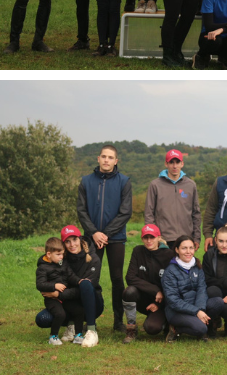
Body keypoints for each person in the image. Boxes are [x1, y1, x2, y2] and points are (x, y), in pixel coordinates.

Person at [75, 144, 132, 332]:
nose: (106, 160)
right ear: (98, 159)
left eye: (110, 157)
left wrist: (106, 233)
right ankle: (90, 319)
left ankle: (118, 321)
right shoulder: (86, 181)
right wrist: (94, 233)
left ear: (116, 161)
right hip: (91, 238)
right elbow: (81, 211)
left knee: (117, 279)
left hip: (115, 238)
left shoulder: (124, 181)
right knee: (90, 278)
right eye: (103, 156)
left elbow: (125, 212)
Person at [161, 236, 224, 342]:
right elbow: (173, 301)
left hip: (195, 306)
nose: (188, 251)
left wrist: (200, 309)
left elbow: (202, 289)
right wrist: (196, 312)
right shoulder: (170, 271)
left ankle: (200, 323)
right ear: (177, 250)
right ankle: (175, 329)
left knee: (218, 302)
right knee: (201, 328)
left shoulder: (197, 266)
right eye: (184, 248)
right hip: (177, 311)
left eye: (191, 248)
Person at [121, 224, 174, 342]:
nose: (149, 240)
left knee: (152, 328)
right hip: (144, 298)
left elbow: (172, 284)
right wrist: (155, 290)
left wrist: (159, 304)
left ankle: (166, 320)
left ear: (159, 237)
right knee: (129, 291)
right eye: (146, 237)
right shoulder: (138, 251)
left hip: (163, 301)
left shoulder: (169, 255)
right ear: (142, 238)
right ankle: (131, 329)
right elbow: (130, 277)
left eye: (152, 237)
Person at [144, 149, 201, 248]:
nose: (175, 166)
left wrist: (197, 237)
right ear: (166, 164)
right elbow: (149, 214)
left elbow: (196, 213)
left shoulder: (191, 185)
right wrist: (153, 237)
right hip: (163, 239)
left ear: (182, 163)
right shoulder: (155, 185)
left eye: (177, 162)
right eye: (171, 162)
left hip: (186, 238)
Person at [36, 237, 86, 346]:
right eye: (58, 255)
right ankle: (53, 336)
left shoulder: (63, 263)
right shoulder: (42, 268)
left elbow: (71, 275)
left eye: (62, 254)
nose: (61, 257)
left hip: (64, 296)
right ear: (49, 254)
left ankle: (78, 335)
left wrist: (80, 281)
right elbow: (40, 284)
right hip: (52, 299)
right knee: (60, 314)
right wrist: (54, 285)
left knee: (79, 310)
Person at [61, 226, 105, 347]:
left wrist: (63, 293)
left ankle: (92, 330)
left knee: (85, 284)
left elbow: (89, 286)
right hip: (70, 305)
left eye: (74, 239)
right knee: (43, 319)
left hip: (92, 304)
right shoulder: (61, 259)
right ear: (63, 244)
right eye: (67, 241)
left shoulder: (93, 258)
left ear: (80, 239)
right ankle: (72, 325)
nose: (72, 244)